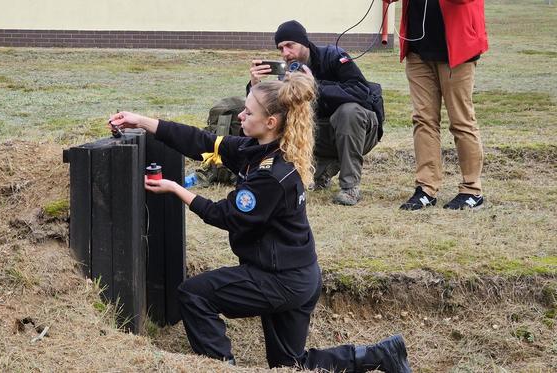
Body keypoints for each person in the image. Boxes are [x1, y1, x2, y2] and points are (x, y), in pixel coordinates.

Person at [108, 73, 410, 372]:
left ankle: (221, 367)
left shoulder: (271, 175)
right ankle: (379, 356)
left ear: (271, 123)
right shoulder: (256, 149)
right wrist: (143, 121)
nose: (240, 114)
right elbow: (201, 141)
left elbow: (226, 216)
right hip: (299, 275)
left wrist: (178, 190)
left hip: (281, 280)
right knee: (290, 364)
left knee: (194, 294)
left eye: (248, 111)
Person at [248, 20, 384, 206]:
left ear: (304, 42)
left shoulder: (334, 56)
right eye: (281, 49)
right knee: (282, 118)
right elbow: (271, 115)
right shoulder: (287, 74)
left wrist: (315, 85)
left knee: (348, 111)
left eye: (290, 45)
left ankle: (350, 187)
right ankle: (324, 167)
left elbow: (362, 92)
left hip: (360, 131)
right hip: (322, 136)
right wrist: (255, 86)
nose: (285, 53)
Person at [384, 0, 488, 210]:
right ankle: (426, 188)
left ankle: (471, 190)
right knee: (423, 120)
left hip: (457, 49)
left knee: (461, 120)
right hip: (418, 49)